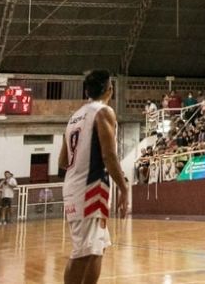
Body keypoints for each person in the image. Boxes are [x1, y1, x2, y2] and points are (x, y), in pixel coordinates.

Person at [59, 70, 128, 284]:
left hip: (75, 185)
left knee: (97, 248)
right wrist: (124, 188)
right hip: (90, 188)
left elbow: (62, 161)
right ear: (110, 89)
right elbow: (109, 155)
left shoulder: (74, 117)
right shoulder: (103, 112)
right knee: (83, 253)